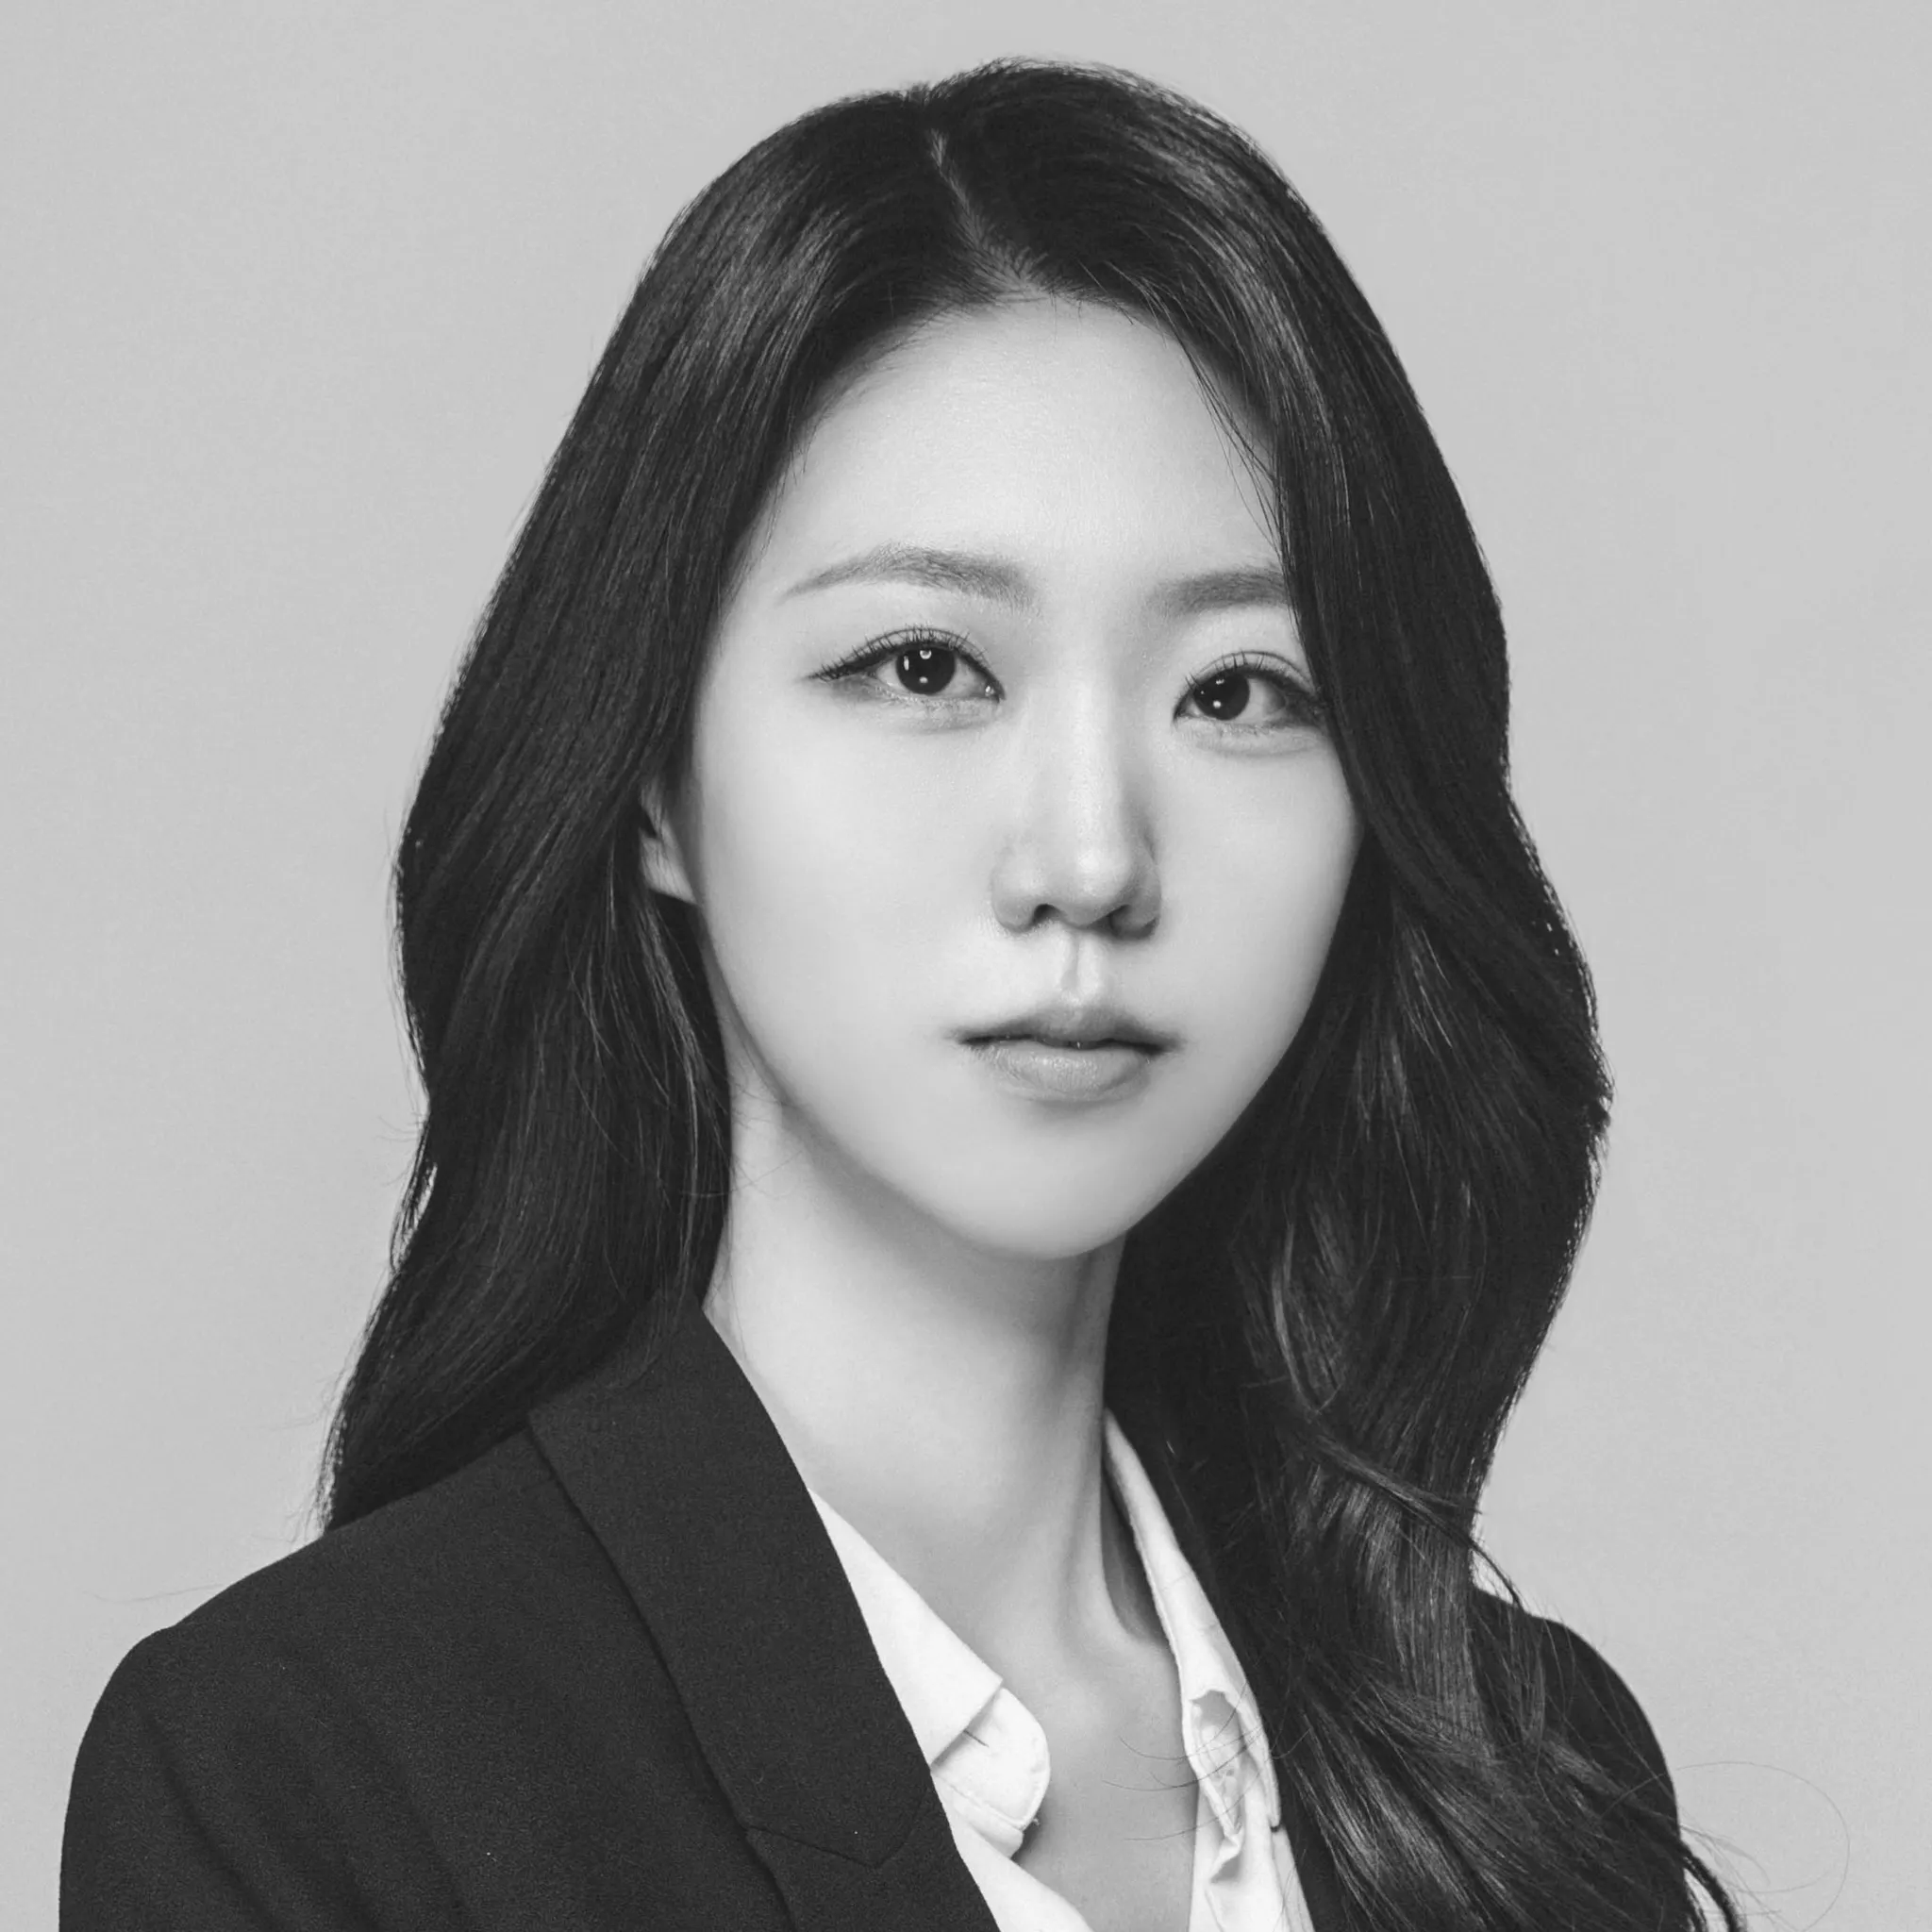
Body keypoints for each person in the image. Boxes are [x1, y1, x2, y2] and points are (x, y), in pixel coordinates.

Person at [59, 57, 1740, 1932]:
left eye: (1237, 690)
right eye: (927, 665)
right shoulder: (312, 1772)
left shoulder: (1517, 1771)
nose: (1090, 858)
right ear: (652, 781)